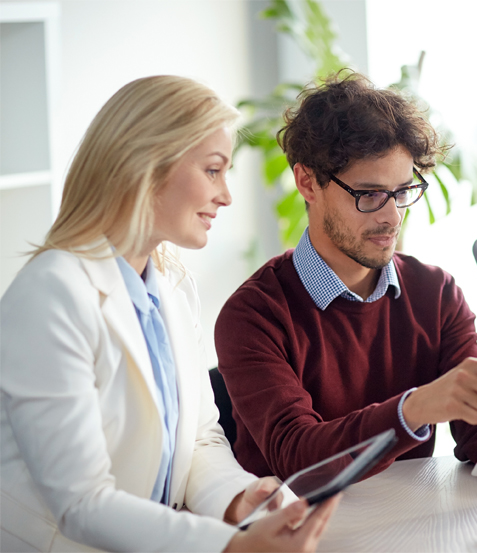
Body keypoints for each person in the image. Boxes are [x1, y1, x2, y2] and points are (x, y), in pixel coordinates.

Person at [215, 71, 477, 495]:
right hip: (293, 533)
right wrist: (415, 408)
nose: (391, 217)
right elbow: (297, 458)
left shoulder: (436, 294)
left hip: (406, 523)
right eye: (368, 195)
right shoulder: (253, 316)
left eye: (403, 191)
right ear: (307, 182)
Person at [0, 75, 338, 552]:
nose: (226, 196)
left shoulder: (171, 286)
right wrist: (231, 546)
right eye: (213, 170)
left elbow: (199, 438)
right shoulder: (51, 294)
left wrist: (242, 499)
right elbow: (81, 503)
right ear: (147, 166)